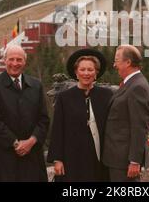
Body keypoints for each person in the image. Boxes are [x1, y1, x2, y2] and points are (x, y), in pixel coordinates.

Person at [0, 45, 49, 181]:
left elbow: (43, 119)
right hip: (6, 158)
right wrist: (16, 144)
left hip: (33, 157)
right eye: (11, 59)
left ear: (25, 62)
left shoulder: (36, 85)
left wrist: (31, 141)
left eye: (19, 60)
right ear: (4, 61)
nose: (15, 63)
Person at [47, 48, 113, 182]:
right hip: (72, 160)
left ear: (96, 73)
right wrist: (57, 160)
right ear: (76, 73)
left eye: (90, 70)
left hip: (99, 160)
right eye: (82, 70)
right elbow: (58, 130)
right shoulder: (64, 98)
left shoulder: (107, 95)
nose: (86, 73)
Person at [102, 45, 149, 182]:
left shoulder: (137, 87)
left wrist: (135, 161)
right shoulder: (129, 84)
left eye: (117, 60)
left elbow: (139, 126)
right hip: (117, 160)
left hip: (124, 162)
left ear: (128, 62)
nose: (114, 65)